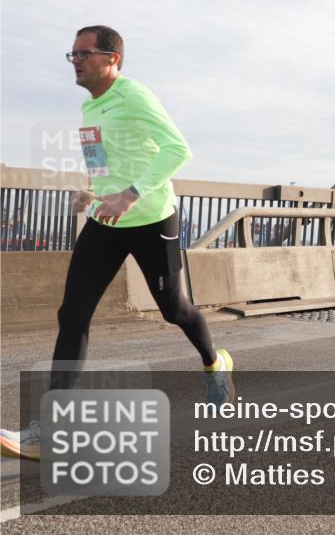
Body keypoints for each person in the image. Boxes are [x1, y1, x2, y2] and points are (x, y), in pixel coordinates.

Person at [0, 26, 235, 462]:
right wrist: (94, 191)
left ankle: (214, 363)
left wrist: (131, 193)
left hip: (151, 218)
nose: (75, 61)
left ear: (113, 59)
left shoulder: (134, 95)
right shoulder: (90, 107)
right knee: (73, 314)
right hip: (105, 220)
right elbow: (100, 161)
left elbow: (177, 149)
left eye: (83, 53)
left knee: (174, 309)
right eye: (71, 54)